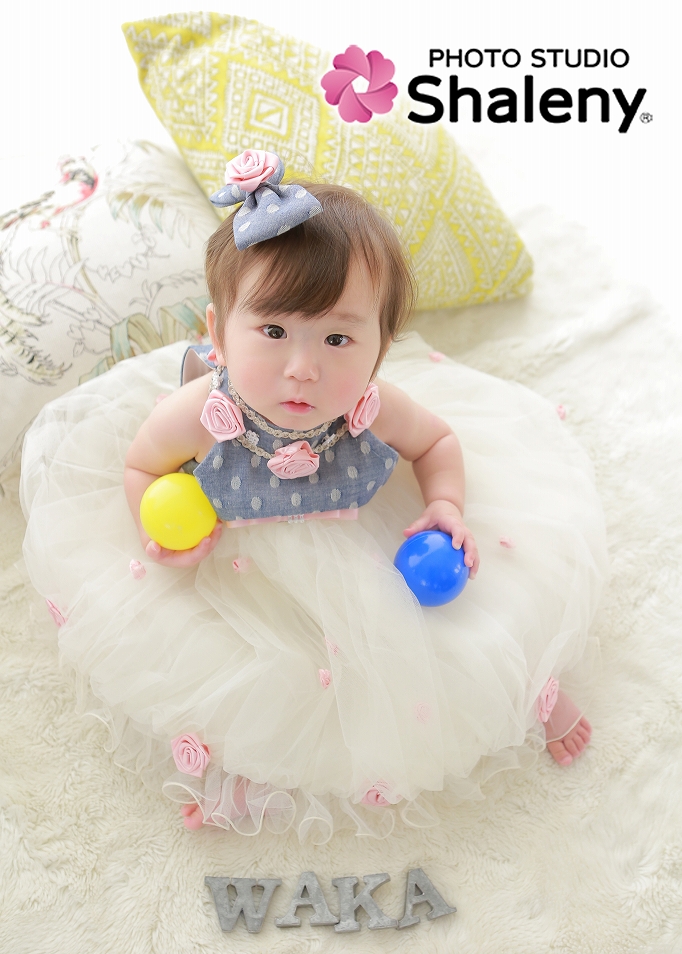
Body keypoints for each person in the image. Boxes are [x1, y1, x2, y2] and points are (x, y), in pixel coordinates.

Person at [20, 150, 607, 844]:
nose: (303, 368)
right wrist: (164, 534)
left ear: (379, 348)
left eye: (338, 337)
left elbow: (436, 442)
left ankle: (524, 689)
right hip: (243, 556)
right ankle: (248, 771)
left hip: (359, 535)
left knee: (448, 629)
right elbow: (142, 466)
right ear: (218, 334)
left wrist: (445, 504)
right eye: (272, 332)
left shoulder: (371, 407)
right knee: (253, 668)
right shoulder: (201, 413)